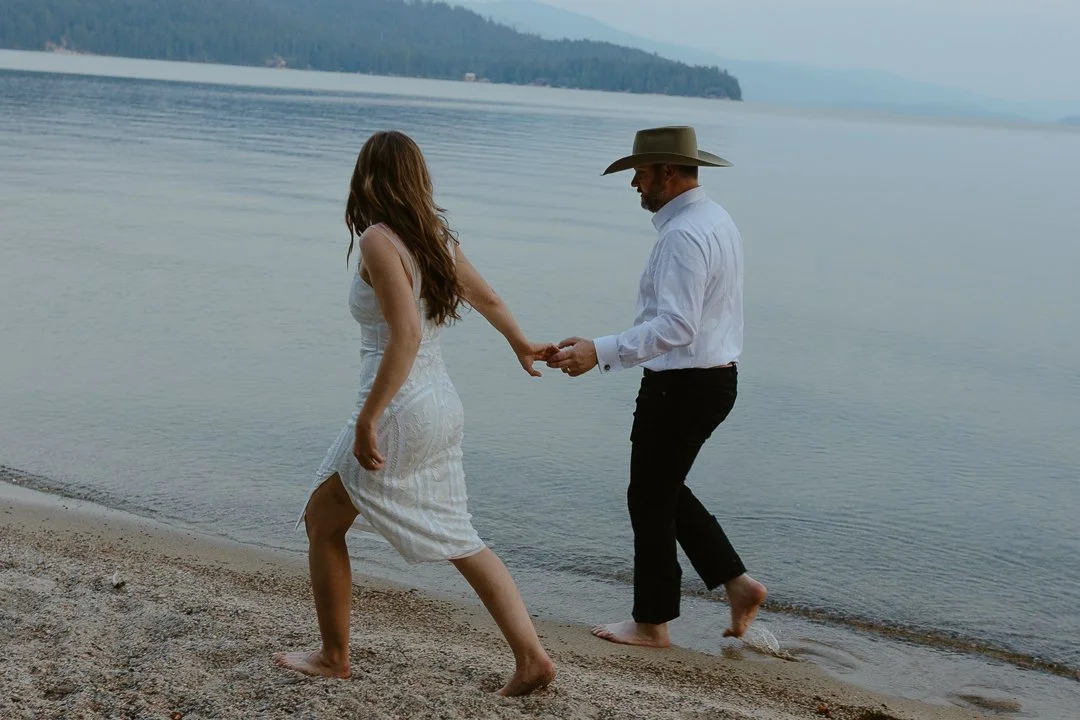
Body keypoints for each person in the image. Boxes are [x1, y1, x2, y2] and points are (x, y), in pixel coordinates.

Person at [274, 130, 556, 696]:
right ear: (417, 179)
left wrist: (368, 418)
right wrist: (521, 344)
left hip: (398, 405)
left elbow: (404, 334)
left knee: (323, 521)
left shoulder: (380, 240)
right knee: (458, 536)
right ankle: (532, 658)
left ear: (368, 177)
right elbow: (491, 299)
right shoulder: (433, 238)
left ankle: (334, 656)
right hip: (438, 402)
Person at [548, 126, 768, 648]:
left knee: (648, 496)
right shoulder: (715, 219)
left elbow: (676, 327)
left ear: (668, 172)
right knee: (661, 490)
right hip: (712, 381)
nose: (635, 185)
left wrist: (598, 351)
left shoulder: (683, 235)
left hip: (684, 388)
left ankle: (652, 623)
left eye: (640, 174)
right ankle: (739, 585)